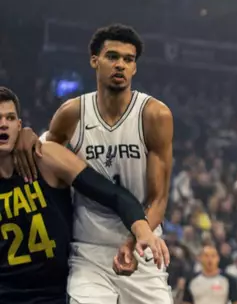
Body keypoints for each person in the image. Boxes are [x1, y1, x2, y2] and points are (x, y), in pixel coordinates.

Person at [14, 24, 175, 304]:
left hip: (141, 243)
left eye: (128, 59)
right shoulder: (71, 114)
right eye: (112, 56)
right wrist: (26, 135)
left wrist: (135, 239)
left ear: (135, 68)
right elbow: (43, 156)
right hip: (88, 251)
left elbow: (158, 197)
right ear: (94, 60)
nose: (120, 65)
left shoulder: (155, 115)